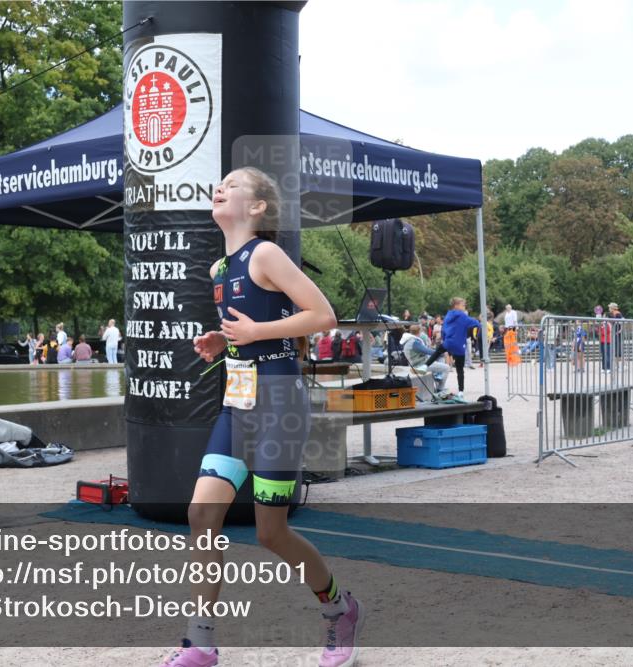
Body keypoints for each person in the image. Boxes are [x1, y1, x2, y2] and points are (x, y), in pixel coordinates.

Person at [169, 167, 361, 667]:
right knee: (201, 514)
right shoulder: (218, 268)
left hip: (279, 403)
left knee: (270, 532)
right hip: (239, 404)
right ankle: (201, 642)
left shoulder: (266, 254)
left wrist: (256, 332)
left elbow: (323, 316)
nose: (221, 188)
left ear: (257, 207)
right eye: (221, 183)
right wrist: (223, 340)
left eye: (233, 185)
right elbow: (249, 329)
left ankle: (340, 609)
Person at [422, 297, 480, 400]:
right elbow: (475, 323)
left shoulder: (448, 315)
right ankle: (461, 391)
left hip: (448, 342)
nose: (464, 306)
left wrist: (445, 340)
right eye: (463, 305)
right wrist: (480, 323)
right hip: (459, 345)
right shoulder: (463, 316)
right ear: (456, 305)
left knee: (437, 352)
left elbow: (444, 329)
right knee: (460, 369)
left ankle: (425, 366)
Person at [401, 324, 454, 403]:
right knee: (446, 367)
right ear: (419, 332)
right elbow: (428, 351)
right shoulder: (414, 342)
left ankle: (438, 380)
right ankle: (440, 389)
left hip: (416, 363)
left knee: (439, 361)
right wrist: (442, 352)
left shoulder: (408, 340)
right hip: (420, 365)